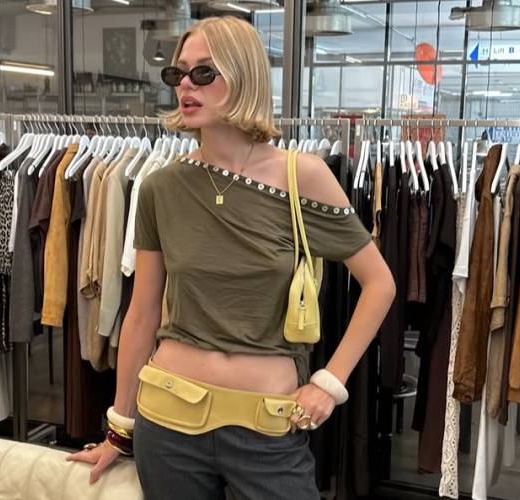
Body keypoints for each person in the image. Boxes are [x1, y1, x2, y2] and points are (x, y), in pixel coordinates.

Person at [67, 16, 395, 499]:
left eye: (204, 72)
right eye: (177, 73)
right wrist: (120, 426)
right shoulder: (161, 187)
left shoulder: (301, 177)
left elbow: (380, 283)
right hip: (168, 420)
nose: (186, 85)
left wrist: (330, 382)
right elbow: (143, 311)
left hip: (267, 424)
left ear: (244, 76)